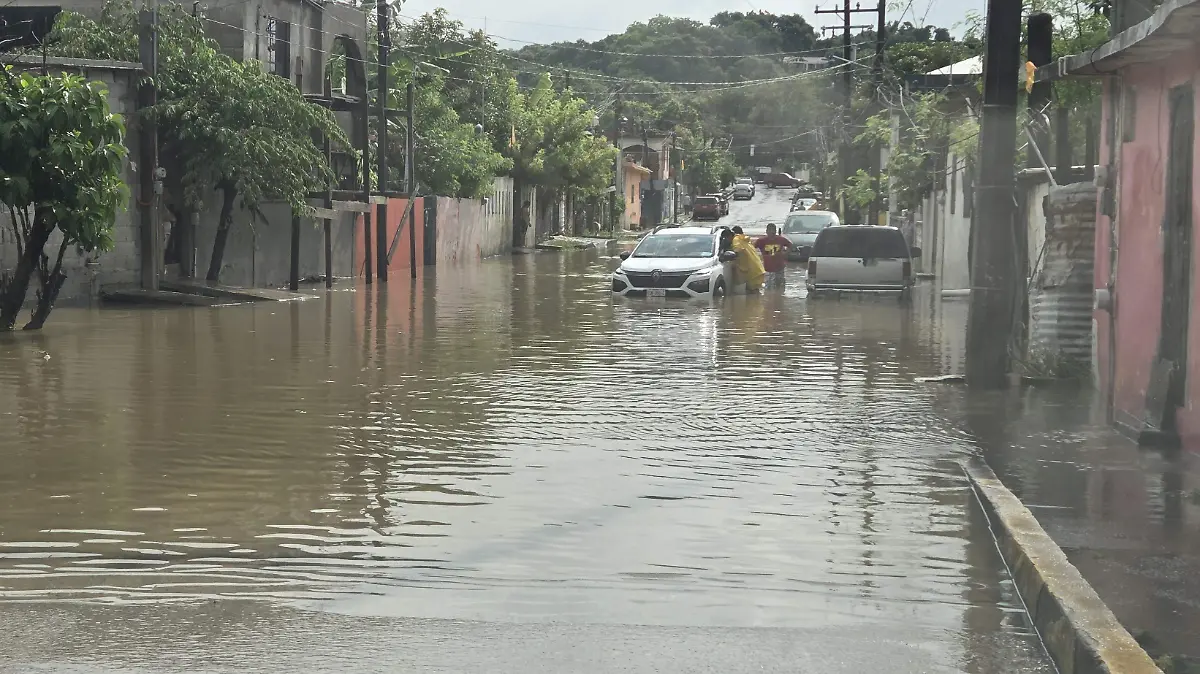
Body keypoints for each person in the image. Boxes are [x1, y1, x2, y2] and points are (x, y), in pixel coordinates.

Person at [754, 223, 793, 289]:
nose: (771, 233)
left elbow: (790, 245)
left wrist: (785, 254)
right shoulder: (761, 241)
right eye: (770, 231)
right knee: (768, 288)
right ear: (767, 232)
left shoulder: (781, 239)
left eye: (773, 231)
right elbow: (752, 248)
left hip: (779, 268)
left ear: (775, 231)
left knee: (780, 287)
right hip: (768, 269)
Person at [728, 226, 765, 292]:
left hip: (751, 272)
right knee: (755, 293)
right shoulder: (745, 240)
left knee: (751, 293)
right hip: (758, 269)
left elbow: (738, 250)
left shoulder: (736, 239)